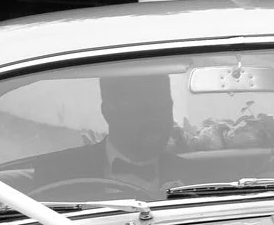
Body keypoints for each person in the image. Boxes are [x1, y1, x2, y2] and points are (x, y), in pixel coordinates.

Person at [27, 72, 190, 196]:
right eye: (142, 110)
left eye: (164, 108)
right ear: (108, 112)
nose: (157, 120)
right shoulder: (56, 174)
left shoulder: (197, 175)